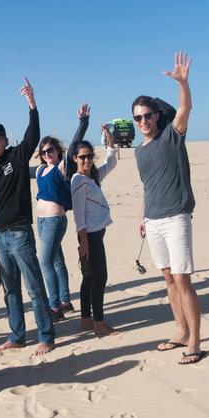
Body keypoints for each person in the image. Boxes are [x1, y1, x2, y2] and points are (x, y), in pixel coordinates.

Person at [133, 52, 202, 364]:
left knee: (182, 279)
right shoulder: (139, 151)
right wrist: (142, 217)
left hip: (176, 217)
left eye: (147, 116)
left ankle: (195, 342)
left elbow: (185, 109)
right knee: (168, 280)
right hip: (154, 220)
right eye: (138, 118)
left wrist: (182, 84)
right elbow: (148, 186)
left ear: (157, 116)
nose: (143, 122)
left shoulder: (172, 136)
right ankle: (180, 331)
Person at [0, 77, 56, 356]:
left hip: (20, 233)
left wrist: (32, 105)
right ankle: (17, 336)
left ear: (5, 140)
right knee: (10, 290)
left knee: (34, 287)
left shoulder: (17, 157)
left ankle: (46, 336)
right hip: (0, 236)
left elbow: (32, 136)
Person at [33, 103, 91, 322]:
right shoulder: (40, 169)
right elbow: (18, 170)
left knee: (45, 262)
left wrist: (83, 122)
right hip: (41, 222)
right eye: (44, 151)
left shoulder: (61, 167)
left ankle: (54, 306)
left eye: (51, 150)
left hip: (54, 220)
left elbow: (75, 144)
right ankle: (65, 301)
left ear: (58, 151)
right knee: (56, 261)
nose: (47, 154)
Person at [70, 120, 121, 338]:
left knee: (89, 278)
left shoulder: (92, 177)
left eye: (90, 156)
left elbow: (111, 162)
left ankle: (85, 319)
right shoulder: (78, 181)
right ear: (75, 158)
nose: (87, 160)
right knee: (99, 277)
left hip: (96, 234)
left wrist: (109, 138)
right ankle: (99, 323)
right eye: (82, 157)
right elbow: (78, 215)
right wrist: (84, 244)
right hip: (89, 236)